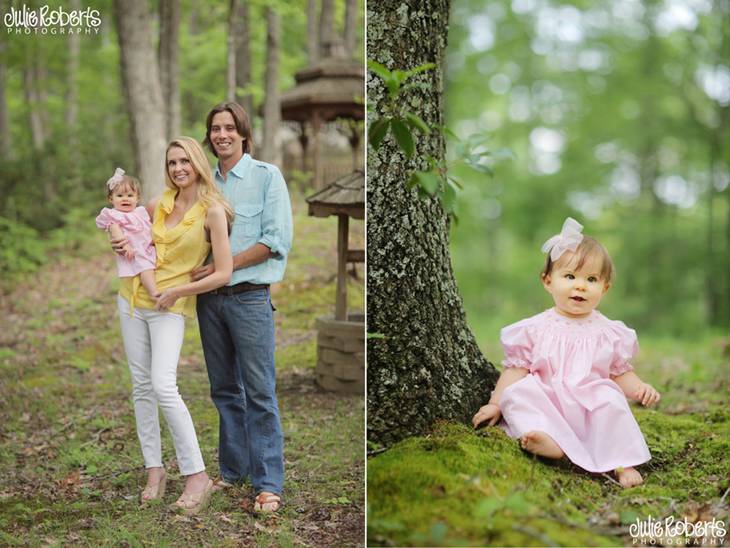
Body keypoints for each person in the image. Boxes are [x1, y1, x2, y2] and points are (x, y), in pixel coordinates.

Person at [472, 217, 660, 488]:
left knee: (611, 402)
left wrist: (640, 388)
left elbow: (620, 371)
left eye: (591, 279)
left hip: (589, 400)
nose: (580, 286)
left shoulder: (607, 331)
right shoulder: (534, 329)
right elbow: (515, 369)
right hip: (548, 397)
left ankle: (621, 461)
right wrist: (495, 402)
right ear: (548, 281)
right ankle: (550, 441)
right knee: (519, 393)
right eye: (570, 276)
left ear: (605, 288)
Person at [112, 137, 234, 514]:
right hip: (132, 300)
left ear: (197, 163)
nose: (178, 168)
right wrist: (120, 245)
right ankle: (155, 469)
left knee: (164, 385)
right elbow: (135, 245)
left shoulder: (212, 211)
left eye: (184, 161)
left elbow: (225, 272)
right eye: (171, 163)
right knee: (142, 386)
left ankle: (196, 475)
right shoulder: (155, 205)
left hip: (170, 307)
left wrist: (179, 290)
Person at [191, 101, 293, 512]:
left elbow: (274, 243)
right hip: (209, 303)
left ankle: (268, 483)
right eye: (215, 128)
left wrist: (222, 265)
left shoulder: (267, 177)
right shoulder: (203, 185)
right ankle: (233, 473)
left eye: (229, 128)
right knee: (224, 391)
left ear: (243, 134)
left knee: (260, 392)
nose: (221, 135)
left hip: (249, 299)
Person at [96, 168, 158, 299]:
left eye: (130, 196)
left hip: (147, 245)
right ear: (111, 199)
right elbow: (115, 231)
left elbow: (148, 227)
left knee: (153, 265)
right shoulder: (114, 215)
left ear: (137, 198)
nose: (125, 199)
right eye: (120, 196)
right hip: (134, 249)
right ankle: (154, 293)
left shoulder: (140, 212)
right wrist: (125, 246)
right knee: (145, 268)